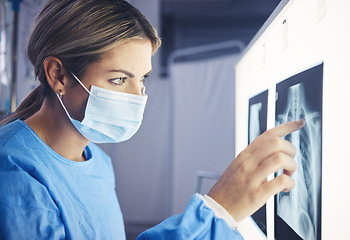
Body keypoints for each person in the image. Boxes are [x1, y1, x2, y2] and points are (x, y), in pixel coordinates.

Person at [0, 0, 304, 239]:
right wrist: (215, 212)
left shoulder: (97, 161)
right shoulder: (13, 173)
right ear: (59, 75)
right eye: (119, 80)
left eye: (142, 78)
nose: (138, 96)